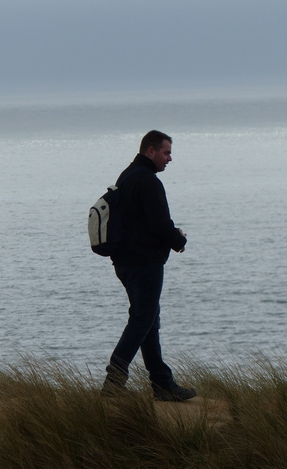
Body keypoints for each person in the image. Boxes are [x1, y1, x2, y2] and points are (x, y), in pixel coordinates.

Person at [101, 130, 197, 402]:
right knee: (143, 319)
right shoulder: (148, 181)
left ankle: (163, 384)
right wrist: (178, 240)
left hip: (124, 261)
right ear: (150, 151)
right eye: (166, 152)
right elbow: (159, 223)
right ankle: (114, 381)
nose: (169, 159)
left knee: (148, 320)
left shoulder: (127, 175)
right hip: (144, 263)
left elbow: (138, 221)